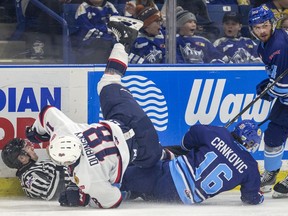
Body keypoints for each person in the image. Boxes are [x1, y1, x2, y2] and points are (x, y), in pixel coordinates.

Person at [21, 17, 171, 208]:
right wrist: (35, 133)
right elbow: (47, 112)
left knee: (157, 161)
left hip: (143, 147)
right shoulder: (66, 130)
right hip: (127, 118)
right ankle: (123, 43)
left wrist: (84, 196)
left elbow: (113, 200)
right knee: (108, 82)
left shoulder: (87, 177)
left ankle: (179, 159)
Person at [120, 120, 264, 205]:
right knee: (147, 189)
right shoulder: (251, 167)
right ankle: (133, 191)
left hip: (167, 177)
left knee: (126, 174)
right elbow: (250, 197)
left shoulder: (219, 133)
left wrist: (188, 148)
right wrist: (260, 197)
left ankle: (115, 186)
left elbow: (193, 132)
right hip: (179, 199)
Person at [248, 5, 288, 198]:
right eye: (257, 27)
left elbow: (282, 87)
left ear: (272, 24)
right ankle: (271, 174)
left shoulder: (278, 46)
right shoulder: (264, 46)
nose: (262, 30)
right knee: (273, 134)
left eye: (264, 25)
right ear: (251, 29)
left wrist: (270, 90)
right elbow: (278, 78)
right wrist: (269, 84)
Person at [1, 138, 71, 200]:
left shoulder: (37, 166)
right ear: (22, 158)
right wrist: (57, 162)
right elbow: (54, 194)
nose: (32, 148)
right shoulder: (29, 177)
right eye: (27, 148)